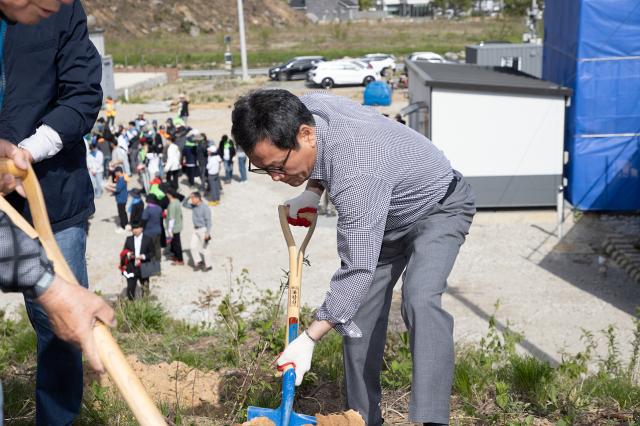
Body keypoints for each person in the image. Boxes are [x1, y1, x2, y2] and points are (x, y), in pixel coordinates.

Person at [231, 90, 475, 426]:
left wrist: (309, 338)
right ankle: (361, 419)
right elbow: (322, 152)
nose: (275, 177)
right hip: (383, 218)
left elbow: (357, 268)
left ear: (305, 134)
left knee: (419, 298)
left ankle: (432, 420)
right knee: (356, 318)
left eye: (278, 166)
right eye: (264, 169)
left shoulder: (357, 171)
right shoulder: (307, 108)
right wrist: (313, 191)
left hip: (438, 207)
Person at [0, 1, 103, 423]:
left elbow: (82, 94)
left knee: (61, 323)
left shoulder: (63, 11)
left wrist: (26, 153)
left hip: (52, 196)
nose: (51, 4)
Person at [0, 210, 116, 373]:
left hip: (62, 211)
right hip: (23, 217)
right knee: (55, 330)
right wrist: (48, 286)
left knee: (68, 334)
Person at [121, 221, 154, 300]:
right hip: (132, 267)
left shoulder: (148, 239)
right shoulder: (129, 239)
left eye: (137, 228)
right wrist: (128, 254)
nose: (135, 230)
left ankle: (145, 305)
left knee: (145, 288)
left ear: (141, 229)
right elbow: (124, 252)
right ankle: (131, 305)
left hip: (144, 266)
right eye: (133, 228)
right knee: (130, 288)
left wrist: (143, 256)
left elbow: (153, 253)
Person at [182, 192, 212, 271]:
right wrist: (188, 196)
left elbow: (209, 221)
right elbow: (184, 204)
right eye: (191, 198)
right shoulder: (193, 206)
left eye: (193, 198)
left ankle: (208, 265)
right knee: (192, 246)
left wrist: (207, 233)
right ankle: (198, 261)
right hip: (195, 229)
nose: (192, 200)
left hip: (203, 229)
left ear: (198, 198)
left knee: (205, 248)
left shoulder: (205, 208)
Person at [141, 195, 163, 262]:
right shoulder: (159, 208)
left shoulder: (147, 210)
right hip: (158, 230)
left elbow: (143, 221)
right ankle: (158, 260)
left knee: (150, 248)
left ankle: (152, 263)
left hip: (149, 232)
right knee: (157, 247)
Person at [165, 189, 184, 265]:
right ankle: (176, 256)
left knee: (176, 244)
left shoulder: (172, 205)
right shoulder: (177, 201)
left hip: (174, 227)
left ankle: (180, 259)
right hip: (178, 224)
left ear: (170, 195)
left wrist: (169, 230)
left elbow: (171, 219)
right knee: (174, 242)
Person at [111, 167, 128, 232]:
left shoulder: (121, 179)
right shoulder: (122, 178)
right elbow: (117, 186)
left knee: (121, 213)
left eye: (115, 172)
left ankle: (123, 227)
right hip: (123, 198)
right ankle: (126, 224)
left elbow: (117, 189)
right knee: (124, 212)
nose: (115, 174)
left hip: (121, 199)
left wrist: (108, 188)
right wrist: (110, 185)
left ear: (118, 172)